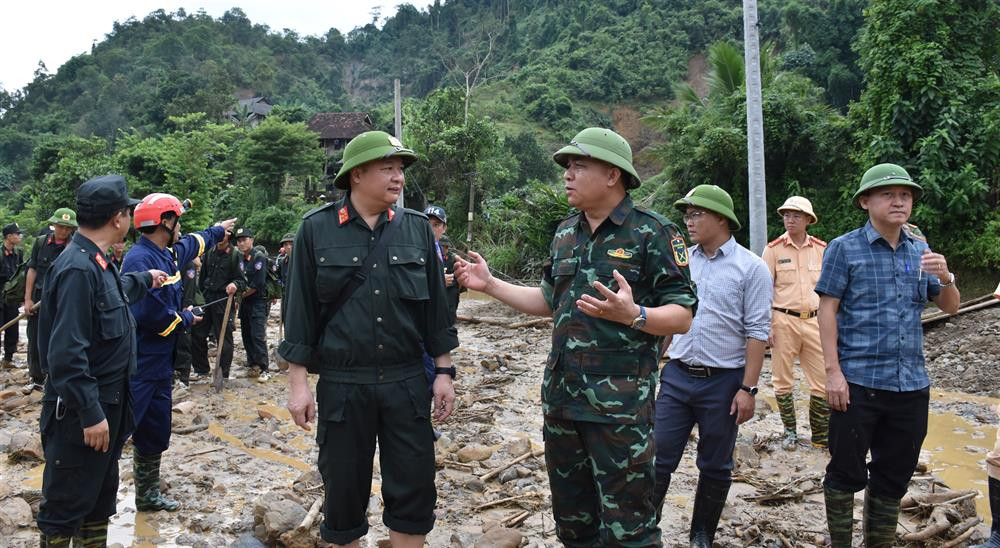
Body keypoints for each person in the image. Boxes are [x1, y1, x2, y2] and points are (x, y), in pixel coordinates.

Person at [456, 127, 698, 547]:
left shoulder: (653, 233)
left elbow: (682, 315)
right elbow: (549, 299)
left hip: (620, 411)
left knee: (630, 531)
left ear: (612, 175)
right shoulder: (566, 232)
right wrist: (490, 285)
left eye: (579, 166)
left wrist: (634, 314)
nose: (567, 174)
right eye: (567, 166)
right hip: (563, 403)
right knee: (574, 527)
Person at [280, 130, 458, 548]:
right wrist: (298, 384)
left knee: (413, 493)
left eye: (400, 169)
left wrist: (444, 372)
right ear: (357, 175)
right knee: (342, 498)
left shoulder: (417, 230)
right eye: (388, 168)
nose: (398, 178)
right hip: (344, 385)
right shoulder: (315, 229)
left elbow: (436, 313)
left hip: (406, 382)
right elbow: (299, 312)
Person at [816, 163, 960, 547]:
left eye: (906, 195)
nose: (899, 202)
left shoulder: (921, 250)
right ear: (865, 202)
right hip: (859, 383)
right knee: (845, 473)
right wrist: (833, 373)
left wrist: (946, 276)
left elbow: (950, 307)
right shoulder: (844, 248)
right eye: (888, 194)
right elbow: (827, 310)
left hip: (911, 385)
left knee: (894, 475)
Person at [35, 174, 166, 546]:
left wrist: (146, 279)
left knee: (96, 504)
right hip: (81, 417)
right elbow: (65, 355)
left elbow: (115, 294)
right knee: (63, 511)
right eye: (128, 210)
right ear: (117, 218)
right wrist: (91, 413)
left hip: (107, 411)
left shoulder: (96, 263)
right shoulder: (77, 269)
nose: (129, 217)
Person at [651, 184, 772, 547]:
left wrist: (748, 389)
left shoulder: (751, 268)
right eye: (686, 215)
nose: (688, 221)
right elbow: (671, 319)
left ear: (721, 218)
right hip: (677, 376)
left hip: (723, 382)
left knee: (716, 463)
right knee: (657, 454)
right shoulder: (682, 262)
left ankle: (701, 534)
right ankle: (644, 526)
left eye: (696, 214)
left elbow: (757, 332)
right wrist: (655, 362)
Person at [122, 192, 235, 512]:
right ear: (166, 222)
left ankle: (146, 496)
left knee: (154, 429)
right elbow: (152, 317)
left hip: (161, 364)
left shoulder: (164, 252)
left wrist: (216, 230)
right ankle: (92, 496)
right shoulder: (139, 260)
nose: (181, 227)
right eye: (178, 220)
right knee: (123, 427)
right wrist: (186, 317)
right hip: (141, 364)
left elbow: (192, 244)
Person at [761, 196, 829, 450]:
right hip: (782, 320)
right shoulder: (774, 249)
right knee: (782, 379)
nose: (790, 219)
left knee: (822, 380)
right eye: (787, 215)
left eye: (796, 215)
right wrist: (766, 325)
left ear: (808, 220)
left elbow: (831, 290)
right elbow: (763, 289)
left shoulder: (822, 249)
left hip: (815, 320)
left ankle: (821, 437)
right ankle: (790, 432)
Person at [25, 208, 77, 391]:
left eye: (67, 228)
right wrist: (28, 299)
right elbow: (32, 270)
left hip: (62, 300)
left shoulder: (74, 247)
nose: (63, 231)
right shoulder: (41, 243)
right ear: (54, 225)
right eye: (60, 226)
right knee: (35, 337)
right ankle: (37, 377)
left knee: (61, 338)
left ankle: (56, 377)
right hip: (39, 298)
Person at [191, 230, 244, 379]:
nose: (221, 237)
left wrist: (234, 284)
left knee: (224, 336)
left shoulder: (235, 255)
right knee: (197, 332)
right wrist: (199, 300)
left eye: (225, 234)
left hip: (223, 300)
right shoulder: (209, 252)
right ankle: (201, 369)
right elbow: (202, 279)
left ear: (229, 237)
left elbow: (241, 281)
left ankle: (223, 373)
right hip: (207, 299)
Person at [233, 227, 270, 379]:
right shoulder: (240, 258)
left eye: (244, 240)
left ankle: (264, 368)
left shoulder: (258, 257)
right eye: (239, 241)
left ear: (252, 240)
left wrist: (239, 296)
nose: (241, 243)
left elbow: (258, 284)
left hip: (257, 302)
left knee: (257, 334)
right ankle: (252, 362)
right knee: (246, 333)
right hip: (245, 302)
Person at [174, 257, 202, 386]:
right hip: (171, 310)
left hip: (183, 309)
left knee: (183, 341)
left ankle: (184, 377)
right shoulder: (167, 260)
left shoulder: (187, 263)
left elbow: (189, 289)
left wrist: (186, 310)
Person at [0, 222, 24, 368]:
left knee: (12, 328)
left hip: (12, 297)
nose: (19, 236)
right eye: (17, 234)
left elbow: (21, 275)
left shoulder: (18, 254)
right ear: (9, 236)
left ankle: (8, 359)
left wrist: (22, 297)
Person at [276, 232, 294, 324]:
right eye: (286, 244)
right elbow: (278, 278)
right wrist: (281, 286)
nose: (289, 247)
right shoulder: (283, 262)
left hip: (300, 299)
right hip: (286, 297)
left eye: (291, 244)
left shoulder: (304, 260)